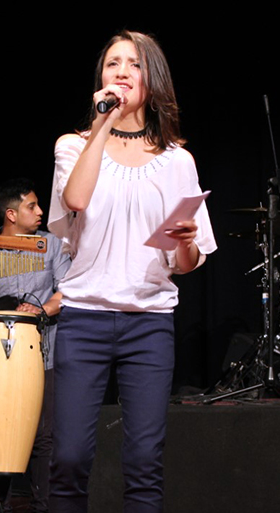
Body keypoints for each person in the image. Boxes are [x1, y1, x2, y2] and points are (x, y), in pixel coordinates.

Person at [46, 31, 216, 513]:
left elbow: (187, 262)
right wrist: (102, 125)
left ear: (152, 78)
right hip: (85, 317)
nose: (121, 71)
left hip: (149, 323)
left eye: (133, 64)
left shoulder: (176, 160)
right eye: (112, 63)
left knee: (143, 460)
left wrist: (184, 244)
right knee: (71, 456)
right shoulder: (71, 145)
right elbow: (75, 200)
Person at [0, 177, 70, 513]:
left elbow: (67, 291)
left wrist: (40, 309)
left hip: (42, 350)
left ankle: (44, 507)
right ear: (11, 214)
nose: (40, 212)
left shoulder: (51, 245)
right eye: (31, 206)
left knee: (43, 436)